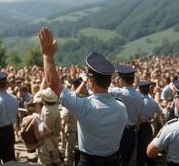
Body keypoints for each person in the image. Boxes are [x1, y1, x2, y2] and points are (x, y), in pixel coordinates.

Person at [38, 27, 128, 166]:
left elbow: (53, 84)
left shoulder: (84, 106)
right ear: (109, 81)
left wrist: (47, 55)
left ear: (90, 80)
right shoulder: (121, 108)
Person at [108, 65, 143, 166]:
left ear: (121, 79)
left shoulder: (118, 92)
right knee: (126, 161)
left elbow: (104, 88)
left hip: (120, 132)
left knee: (116, 160)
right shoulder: (140, 96)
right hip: (132, 132)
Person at [137, 81, 163, 166]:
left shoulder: (136, 100)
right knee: (147, 147)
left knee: (139, 149)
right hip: (147, 126)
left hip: (137, 126)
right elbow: (160, 112)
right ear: (148, 90)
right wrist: (153, 119)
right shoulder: (153, 102)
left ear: (139, 90)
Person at [38, 88, 61, 166]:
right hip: (54, 137)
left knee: (45, 162)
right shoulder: (56, 108)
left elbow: (46, 127)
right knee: (55, 159)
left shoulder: (47, 110)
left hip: (47, 138)